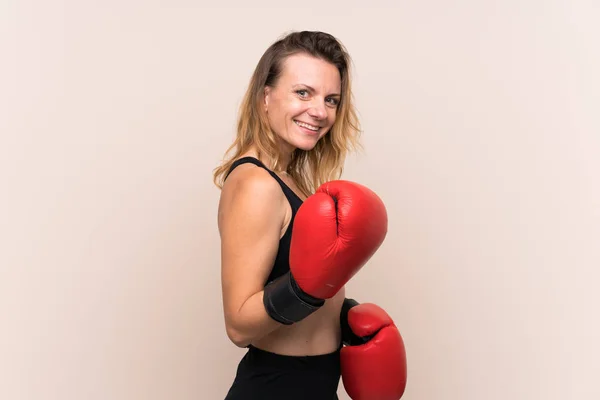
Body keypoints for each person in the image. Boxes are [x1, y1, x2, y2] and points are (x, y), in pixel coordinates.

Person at [213, 31, 407, 400]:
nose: (320, 111)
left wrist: (343, 314)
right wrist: (308, 289)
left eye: (331, 99)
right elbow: (238, 324)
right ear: (265, 96)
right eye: (303, 92)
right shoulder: (256, 183)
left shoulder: (290, 180)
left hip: (314, 384)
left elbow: (301, 278)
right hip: (277, 389)